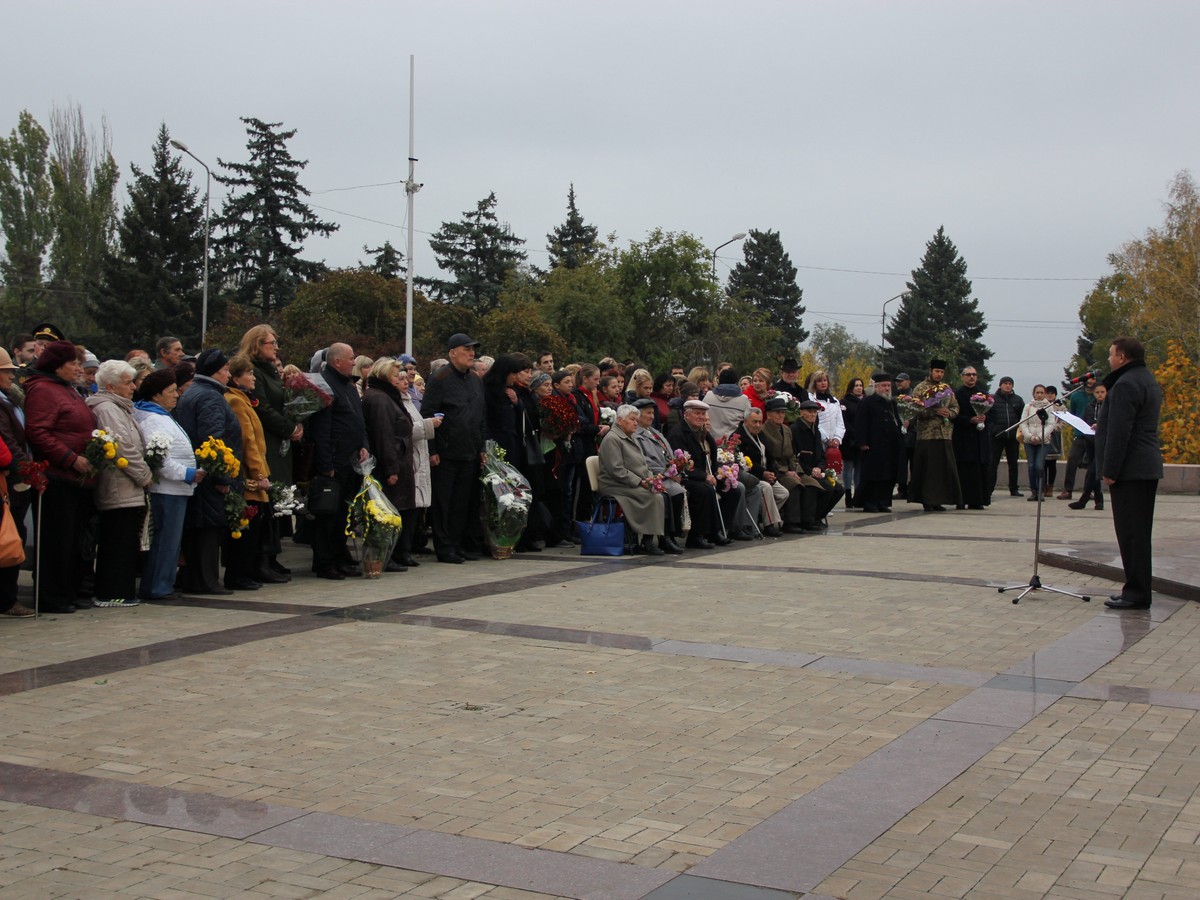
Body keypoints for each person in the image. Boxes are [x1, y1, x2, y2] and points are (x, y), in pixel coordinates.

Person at [24, 341, 96, 613]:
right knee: (57, 541)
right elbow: (39, 432)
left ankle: (68, 592)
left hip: (77, 479)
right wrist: (70, 458)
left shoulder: (67, 389)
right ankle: (52, 596)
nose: (78, 368)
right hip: (57, 477)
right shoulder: (43, 389)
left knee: (74, 541)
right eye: (73, 364)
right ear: (57, 365)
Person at [1097, 337, 1163, 611]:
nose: (1110, 359)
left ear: (1122, 357)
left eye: (1112, 354)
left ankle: (1136, 593)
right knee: (1138, 533)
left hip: (1131, 468)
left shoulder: (1125, 384)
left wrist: (1110, 470)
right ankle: (1137, 589)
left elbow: (1120, 431)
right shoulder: (1146, 378)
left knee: (1131, 533)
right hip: (1144, 465)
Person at [174, 349, 243, 596]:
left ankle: (194, 577)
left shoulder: (196, 392)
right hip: (209, 476)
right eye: (225, 370)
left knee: (200, 526)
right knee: (208, 528)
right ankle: (205, 580)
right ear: (215, 372)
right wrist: (222, 477)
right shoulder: (210, 397)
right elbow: (213, 439)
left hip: (199, 472)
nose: (228, 374)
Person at [86, 361, 154, 607]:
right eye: (128, 383)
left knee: (125, 540)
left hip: (127, 485)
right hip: (118, 485)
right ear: (110, 386)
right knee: (117, 540)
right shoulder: (108, 409)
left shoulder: (120, 407)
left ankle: (121, 590)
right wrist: (145, 475)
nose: (134, 387)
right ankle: (112, 592)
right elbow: (122, 448)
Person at [134, 368, 203, 601]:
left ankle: (163, 583)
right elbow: (159, 459)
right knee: (165, 540)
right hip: (166, 489)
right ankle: (157, 586)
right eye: (171, 391)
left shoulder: (161, 415)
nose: (176, 395)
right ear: (156, 395)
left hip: (176, 488)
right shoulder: (152, 419)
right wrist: (188, 473)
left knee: (171, 541)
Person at [239, 325, 298, 580]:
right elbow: (261, 408)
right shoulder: (253, 372)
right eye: (270, 343)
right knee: (267, 499)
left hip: (280, 444)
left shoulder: (271, 371)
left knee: (279, 502)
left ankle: (272, 556)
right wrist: (289, 427)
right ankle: (261, 558)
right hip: (267, 443)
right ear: (256, 345)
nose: (275, 347)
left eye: (275, 343)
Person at [422, 333, 486, 564]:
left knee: (462, 501)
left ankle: (457, 543)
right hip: (446, 451)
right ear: (452, 353)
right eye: (466, 349)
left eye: (473, 349)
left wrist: (482, 446)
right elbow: (427, 414)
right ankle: (444, 546)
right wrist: (432, 449)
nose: (472, 353)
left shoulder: (475, 379)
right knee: (444, 503)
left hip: (469, 450)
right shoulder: (440, 378)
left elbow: (480, 415)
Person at [308, 343, 370, 578]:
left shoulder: (349, 384)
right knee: (328, 516)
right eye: (351, 358)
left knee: (344, 513)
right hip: (334, 460)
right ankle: (325, 561)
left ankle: (340, 555)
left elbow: (358, 419)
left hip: (351, 459)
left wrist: (364, 444)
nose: (354, 362)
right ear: (337, 362)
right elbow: (321, 429)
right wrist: (326, 465)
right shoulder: (324, 385)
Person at [225, 356, 277, 589]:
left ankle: (249, 571)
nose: (253, 377)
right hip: (248, 477)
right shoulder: (236, 401)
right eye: (249, 374)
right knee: (246, 528)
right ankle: (239, 574)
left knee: (255, 527)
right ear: (236, 378)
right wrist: (259, 474)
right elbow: (248, 441)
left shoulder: (245, 399)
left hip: (254, 472)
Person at [362, 358, 418, 572]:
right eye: (395, 376)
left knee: (402, 510)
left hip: (400, 460)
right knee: (388, 511)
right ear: (385, 377)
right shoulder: (379, 400)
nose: (400, 379)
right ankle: (386, 554)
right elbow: (384, 435)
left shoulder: (387, 397)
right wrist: (391, 469)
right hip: (391, 463)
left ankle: (399, 553)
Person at [598, 405, 670, 555]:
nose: (636, 423)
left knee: (659, 493)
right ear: (620, 421)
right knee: (653, 497)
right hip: (614, 484)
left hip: (630, 482)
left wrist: (652, 479)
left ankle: (653, 539)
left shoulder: (631, 437)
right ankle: (648, 541)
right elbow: (616, 470)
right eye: (632, 420)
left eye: (636, 420)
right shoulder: (612, 439)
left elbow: (643, 464)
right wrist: (640, 482)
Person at [667, 399, 739, 548]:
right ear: (687, 415)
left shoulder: (703, 433)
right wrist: (704, 476)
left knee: (733, 488)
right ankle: (696, 535)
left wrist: (719, 473)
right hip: (687, 477)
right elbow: (682, 464)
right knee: (703, 490)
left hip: (705, 474)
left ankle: (719, 529)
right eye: (697, 413)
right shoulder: (679, 434)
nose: (701, 417)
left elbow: (710, 457)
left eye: (703, 414)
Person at [0, 349, 32, 616]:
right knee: (8, 538)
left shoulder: (9, 398)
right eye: (6, 371)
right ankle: (7, 599)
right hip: (8, 479)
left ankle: (7, 598)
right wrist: (26, 469)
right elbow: (6, 443)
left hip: (14, 477)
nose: (12, 374)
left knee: (13, 536)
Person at [908, 359, 963, 512]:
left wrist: (949, 413)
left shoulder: (946, 389)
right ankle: (927, 499)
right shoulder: (921, 388)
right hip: (927, 435)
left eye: (942, 372)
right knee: (928, 469)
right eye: (937, 371)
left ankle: (938, 499)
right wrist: (934, 411)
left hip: (944, 434)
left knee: (942, 469)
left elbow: (955, 406)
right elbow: (914, 409)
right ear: (931, 371)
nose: (939, 374)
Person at [632, 398, 685, 552]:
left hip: (666, 475)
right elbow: (643, 460)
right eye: (648, 413)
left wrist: (678, 467)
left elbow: (668, 454)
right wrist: (667, 473)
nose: (652, 416)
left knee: (681, 491)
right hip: (653, 476)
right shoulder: (636, 435)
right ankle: (665, 536)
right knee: (673, 493)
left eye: (653, 413)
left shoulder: (655, 432)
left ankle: (670, 535)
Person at [790, 399, 845, 529]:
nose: (813, 414)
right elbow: (795, 456)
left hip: (816, 470)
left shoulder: (816, 430)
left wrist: (819, 468)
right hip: (802, 470)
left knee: (838, 489)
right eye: (810, 411)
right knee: (821, 487)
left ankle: (818, 515)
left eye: (815, 412)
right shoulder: (795, 430)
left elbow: (821, 456)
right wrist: (810, 470)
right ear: (801, 412)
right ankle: (809, 520)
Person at [855, 373, 904, 512]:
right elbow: (860, 423)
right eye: (884, 386)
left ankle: (883, 502)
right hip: (873, 446)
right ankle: (870, 503)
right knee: (873, 476)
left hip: (890, 447)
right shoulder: (867, 402)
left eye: (888, 386)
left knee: (888, 476)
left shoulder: (891, 403)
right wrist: (862, 442)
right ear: (876, 386)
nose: (887, 388)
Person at [759, 395, 806, 532]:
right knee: (794, 485)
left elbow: (791, 454)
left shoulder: (786, 430)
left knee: (811, 484)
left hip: (789, 467)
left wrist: (795, 470)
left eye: (783, 412)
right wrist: (786, 472)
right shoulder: (764, 430)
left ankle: (810, 519)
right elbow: (769, 457)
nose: (781, 415)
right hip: (777, 470)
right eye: (777, 412)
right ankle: (791, 522)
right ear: (768, 414)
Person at [737, 407, 787, 536]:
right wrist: (762, 474)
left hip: (766, 474)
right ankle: (769, 524)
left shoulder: (761, 435)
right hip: (751, 476)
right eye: (754, 422)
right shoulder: (738, 436)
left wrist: (772, 473)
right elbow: (743, 462)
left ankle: (761, 514)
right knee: (765, 488)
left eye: (760, 422)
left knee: (783, 493)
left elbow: (770, 457)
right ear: (746, 421)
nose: (758, 425)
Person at [952, 366, 991, 509]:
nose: (971, 377)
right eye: (968, 374)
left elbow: (992, 415)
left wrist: (984, 417)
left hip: (980, 439)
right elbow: (954, 416)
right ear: (962, 377)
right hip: (963, 439)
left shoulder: (984, 394)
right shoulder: (957, 395)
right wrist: (970, 420)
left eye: (974, 374)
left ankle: (977, 500)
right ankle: (961, 500)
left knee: (979, 472)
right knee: (964, 471)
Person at [1068, 383, 1106, 511]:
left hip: (1103, 443)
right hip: (1089, 441)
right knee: (1093, 471)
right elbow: (1085, 420)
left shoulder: (1110, 406)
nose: (1100, 395)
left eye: (1102, 392)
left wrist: (1099, 425)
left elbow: (1112, 422)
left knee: (1093, 471)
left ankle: (1084, 499)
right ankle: (1099, 500)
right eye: (1097, 392)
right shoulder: (1090, 406)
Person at [985, 376, 1024, 499]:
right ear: (1000, 385)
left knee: (1013, 464)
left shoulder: (1018, 400)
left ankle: (1014, 488)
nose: (1008, 386)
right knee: (993, 464)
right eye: (1005, 383)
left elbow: (1022, 417)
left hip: (1012, 437)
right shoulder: (992, 399)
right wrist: (993, 429)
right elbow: (987, 417)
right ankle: (989, 489)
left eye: (1010, 384)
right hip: (996, 436)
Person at [1058, 374, 1096, 499]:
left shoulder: (1098, 395)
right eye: (1089, 378)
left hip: (1094, 434)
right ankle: (1067, 490)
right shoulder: (1076, 395)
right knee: (1073, 460)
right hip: (1080, 433)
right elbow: (1073, 412)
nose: (1091, 381)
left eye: (1093, 378)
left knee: (1092, 464)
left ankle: (1088, 490)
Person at [1018, 384, 1057, 502]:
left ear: (1044, 394)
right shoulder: (1028, 407)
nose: (1039, 395)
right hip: (1029, 440)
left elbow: (1051, 424)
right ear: (1033, 394)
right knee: (1031, 466)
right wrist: (1029, 436)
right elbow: (1023, 423)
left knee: (1039, 466)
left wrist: (1040, 437)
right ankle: (1033, 491)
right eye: (1037, 392)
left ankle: (1041, 491)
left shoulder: (1049, 407)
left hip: (1043, 441)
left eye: (1041, 392)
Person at [705, 368, 752, 441]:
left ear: (719, 380)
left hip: (710, 442)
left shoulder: (708, 396)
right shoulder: (744, 400)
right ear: (736, 381)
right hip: (733, 445)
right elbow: (749, 423)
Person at [840, 377, 865, 507]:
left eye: (861, 385)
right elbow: (844, 421)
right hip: (849, 440)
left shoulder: (865, 401)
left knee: (859, 468)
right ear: (851, 387)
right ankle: (848, 494)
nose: (859, 387)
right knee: (848, 467)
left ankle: (858, 495)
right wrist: (854, 434)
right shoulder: (844, 402)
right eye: (856, 385)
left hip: (861, 441)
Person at [892, 372, 912, 499]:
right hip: (899, 434)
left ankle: (913, 488)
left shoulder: (914, 396)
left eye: (901, 381)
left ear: (908, 381)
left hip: (913, 433)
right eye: (897, 381)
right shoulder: (894, 398)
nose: (898, 383)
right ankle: (902, 489)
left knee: (914, 464)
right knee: (901, 464)